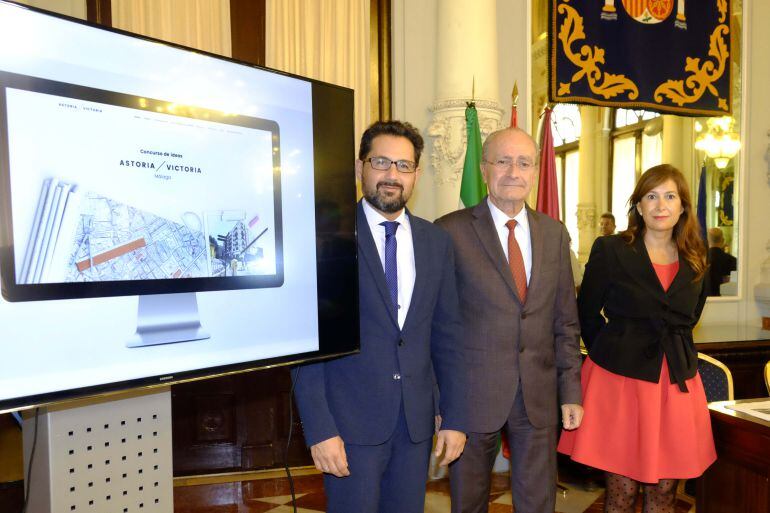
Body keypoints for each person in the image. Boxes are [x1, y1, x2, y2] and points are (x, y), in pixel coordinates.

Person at [292, 120, 467, 513]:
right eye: (381, 162)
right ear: (360, 168)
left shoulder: (436, 242)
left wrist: (454, 416)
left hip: (416, 424)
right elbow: (309, 346)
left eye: (403, 166)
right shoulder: (324, 239)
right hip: (349, 425)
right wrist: (320, 429)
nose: (392, 175)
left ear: (417, 175)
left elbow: (448, 336)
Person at [436, 127, 583, 513]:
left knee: (538, 502)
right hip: (471, 396)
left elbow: (565, 321)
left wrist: (571, 391)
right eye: (503, 161)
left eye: (523, 163)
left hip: (538, 394)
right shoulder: (449, 232)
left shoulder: (554, 234)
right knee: (468, 502)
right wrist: (440, 401)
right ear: (484, 169)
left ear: (535, 171)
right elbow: (437, 326)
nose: (513, 172)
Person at [558, 164, 716, 513]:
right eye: (652, 196)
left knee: (663, 493)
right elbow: (585, 313)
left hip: (675, 384)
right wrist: (614, 347)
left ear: (683, 206)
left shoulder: (697, 257)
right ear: (640, 206)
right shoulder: (612, 249)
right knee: (623, 492)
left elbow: (689, 319)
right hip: (620, 381)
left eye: (670, 196)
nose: (661, 205)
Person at [707, 227, 737, 296]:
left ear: (707, 240)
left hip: (706, 300)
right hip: (724, 299)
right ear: (723, 240)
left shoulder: (701, 260)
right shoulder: (732, 260)